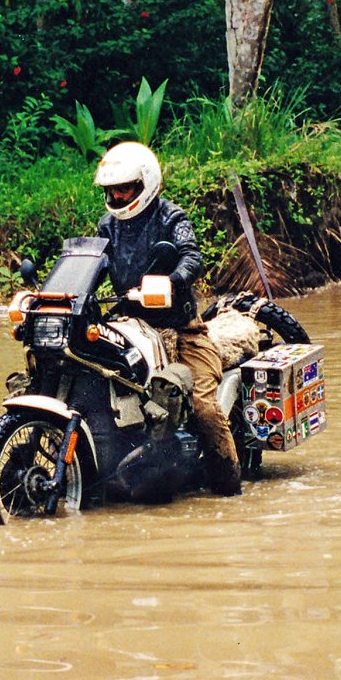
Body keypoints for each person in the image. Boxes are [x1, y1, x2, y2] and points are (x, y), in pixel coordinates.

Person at [93, 141, 242, 496]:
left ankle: (229, 486)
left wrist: (172, 281)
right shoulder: (106, 226)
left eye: (124, 188)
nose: (116, 196)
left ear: (145, 184)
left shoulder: (171, 218)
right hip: (131, 331)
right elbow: (93, 264)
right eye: (111, 189)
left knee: (204, 409)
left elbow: (192, 257)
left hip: (183, 330)